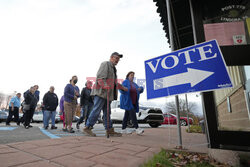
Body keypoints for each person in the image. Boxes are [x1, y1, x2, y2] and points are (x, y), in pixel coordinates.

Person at [83, 52, 128, 137]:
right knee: (96, 110)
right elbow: (100, 78)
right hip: (101, 93)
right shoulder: (105, 64)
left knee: (107, 113)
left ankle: (109, 129)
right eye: (116, 58)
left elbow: (114, 84)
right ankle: (87, 127)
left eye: (118, 59)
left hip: (108, 95)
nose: (117, 60)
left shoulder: (113, 69)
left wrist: (123, 88)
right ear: (111, 57)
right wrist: (105, 85)